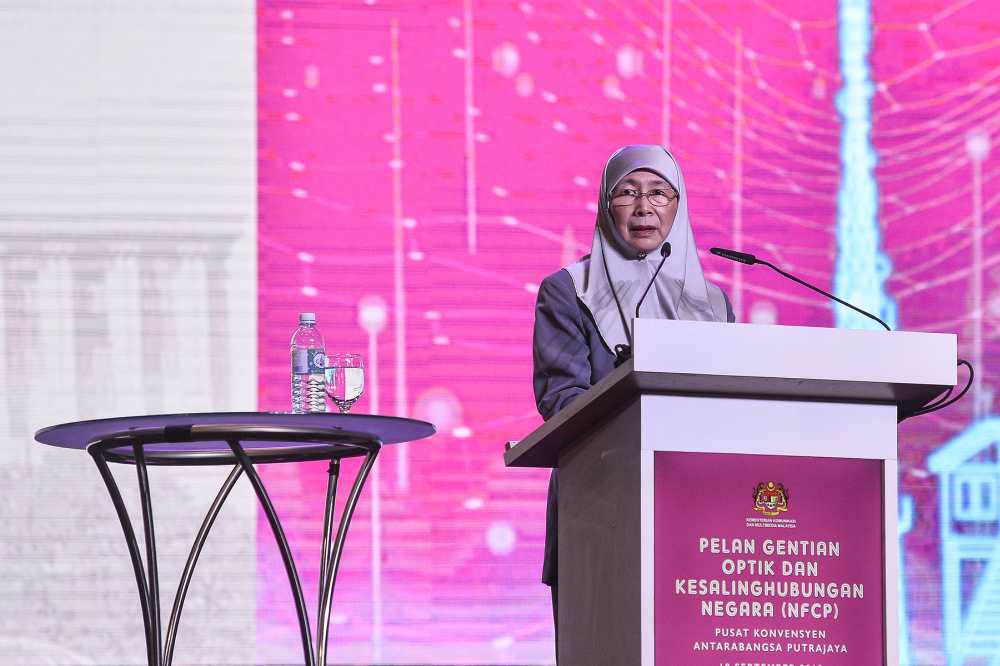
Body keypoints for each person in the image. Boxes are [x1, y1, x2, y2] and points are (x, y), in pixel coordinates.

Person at [531, 144, 735, 647]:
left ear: (678, 206)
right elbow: (561, 398)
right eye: (627, 192)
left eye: (659, 193)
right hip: (598, 504)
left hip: (696, 510)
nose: (644, 207)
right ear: (607, 205)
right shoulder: (568, 290)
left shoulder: (711, 304)